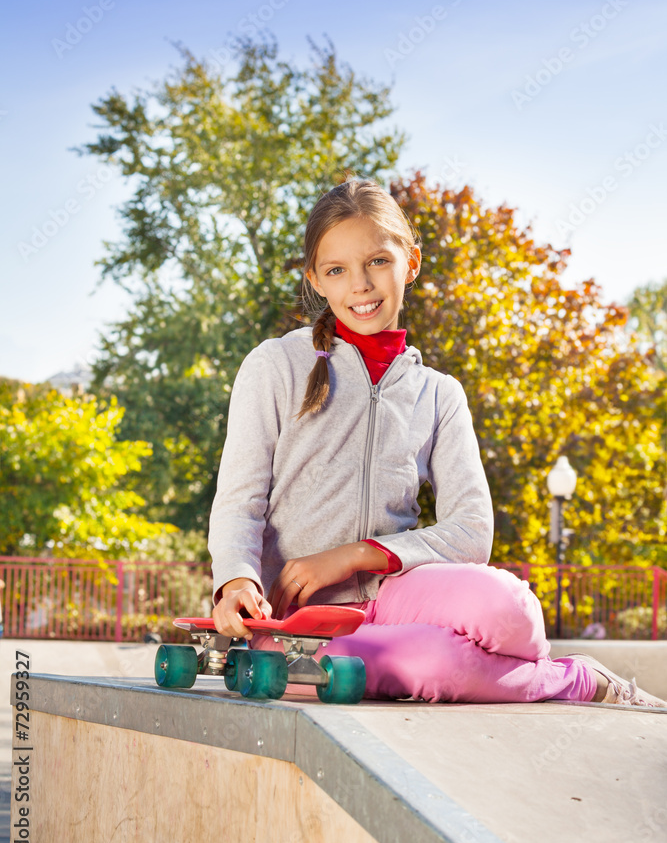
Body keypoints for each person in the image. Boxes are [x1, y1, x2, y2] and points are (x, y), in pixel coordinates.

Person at [208, 178, 665, 709]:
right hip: (298, 623)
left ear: (412, 261)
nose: (360, 285)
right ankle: (575, 681)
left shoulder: (438, 394)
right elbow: (239, 502)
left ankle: (524, 670)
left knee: (513, 611)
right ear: (316, 279)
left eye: (378, 261)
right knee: (436, 663)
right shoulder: (275, 366)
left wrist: (355, 557)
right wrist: (236, 581)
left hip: (397, 593)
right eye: (337, 270)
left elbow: (472, 530)